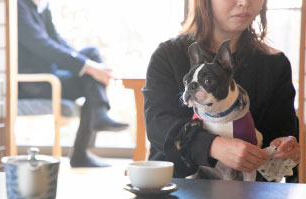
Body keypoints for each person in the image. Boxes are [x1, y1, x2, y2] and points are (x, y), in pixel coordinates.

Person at [143, 0, 300, 182]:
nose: (244, 2)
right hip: (175, 186)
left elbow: (281, 130)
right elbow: (158, 125)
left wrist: (284, 147)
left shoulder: (275, 64)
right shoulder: (168, 55)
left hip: (250, 194)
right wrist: (212, 146)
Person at [18, 0, 129, 167]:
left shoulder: (42, 6)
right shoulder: (18, 6)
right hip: (35, 83)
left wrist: (88, 65)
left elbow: (57, 41)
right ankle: (83, 147)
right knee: (91, 73)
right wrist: (87, 67)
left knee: (91, 54)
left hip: (51, 76)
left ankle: (98, 116)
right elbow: (43, 46)